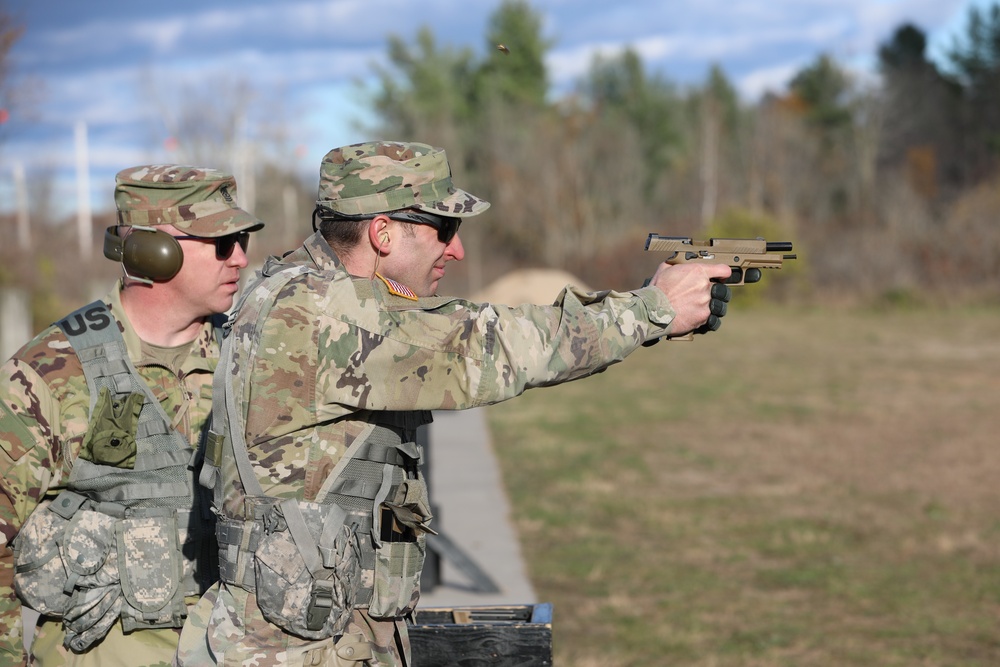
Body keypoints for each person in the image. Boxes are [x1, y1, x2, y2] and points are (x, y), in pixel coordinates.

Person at [175, 141, 734, 667]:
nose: (457, 248)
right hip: (302, 648)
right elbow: (494, 345)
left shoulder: (297, 290)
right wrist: (654, 308)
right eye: (444, 228)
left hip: (303, 635)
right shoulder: (328, 312)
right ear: (384, 232)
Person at [0, 165, 264, 666]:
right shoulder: (52, 371)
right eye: (223, 243)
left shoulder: (252, 360)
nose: (241, 258)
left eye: (241, 240)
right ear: (153, 250)